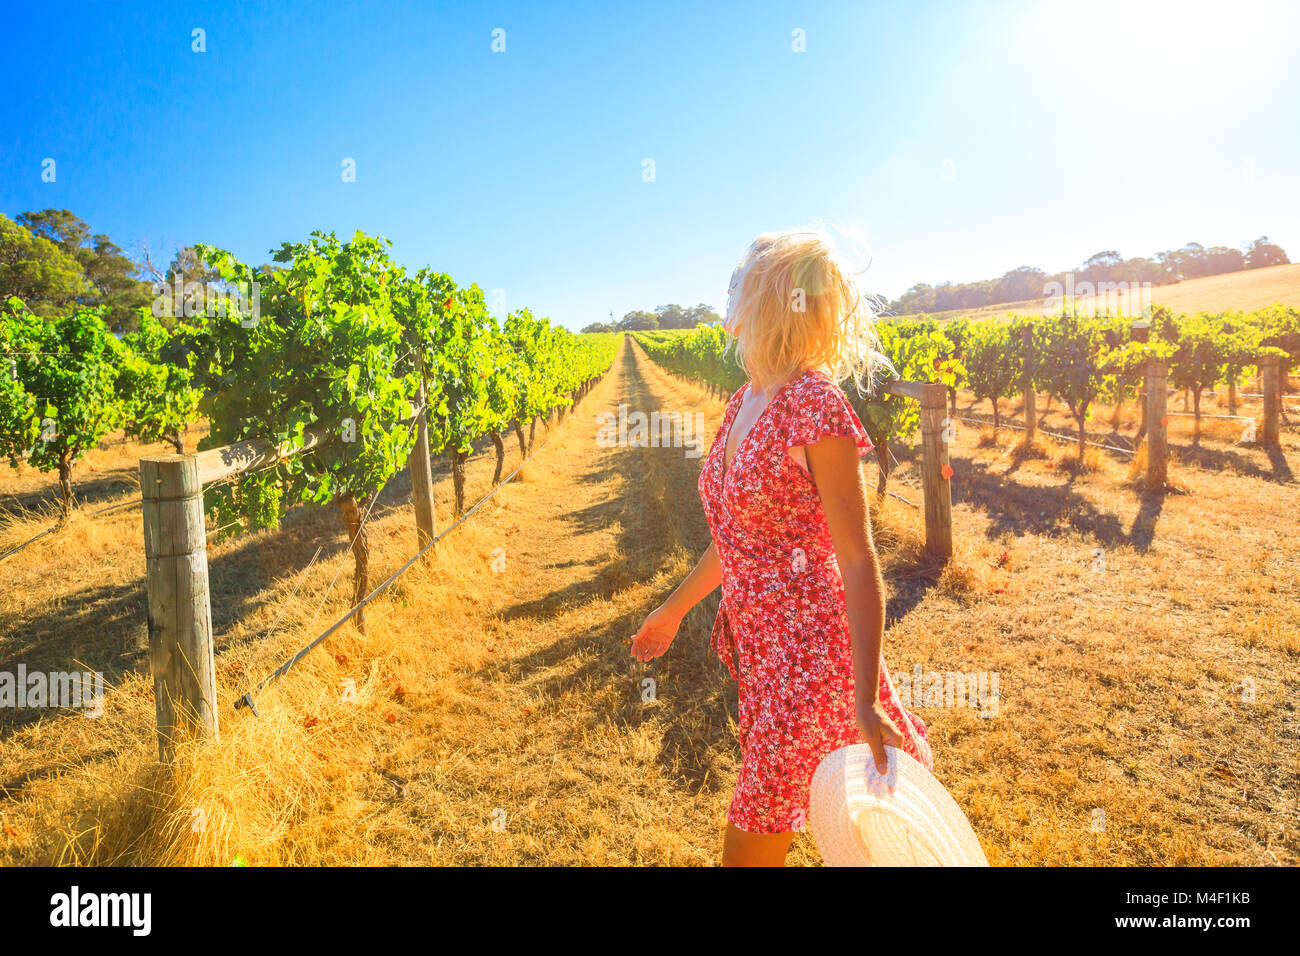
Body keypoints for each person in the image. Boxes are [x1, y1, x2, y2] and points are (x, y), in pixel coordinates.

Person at [630, 229, 933, 866]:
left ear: (768, 301)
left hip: (808, 653)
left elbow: (856, 557)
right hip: (764, 648)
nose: (729, 298)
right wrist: (672, 609)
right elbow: (735, 541)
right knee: (837, 821)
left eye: (740, 284)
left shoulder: (815, 405)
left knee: (766, 826)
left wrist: (865, 695)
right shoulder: (748, 398)